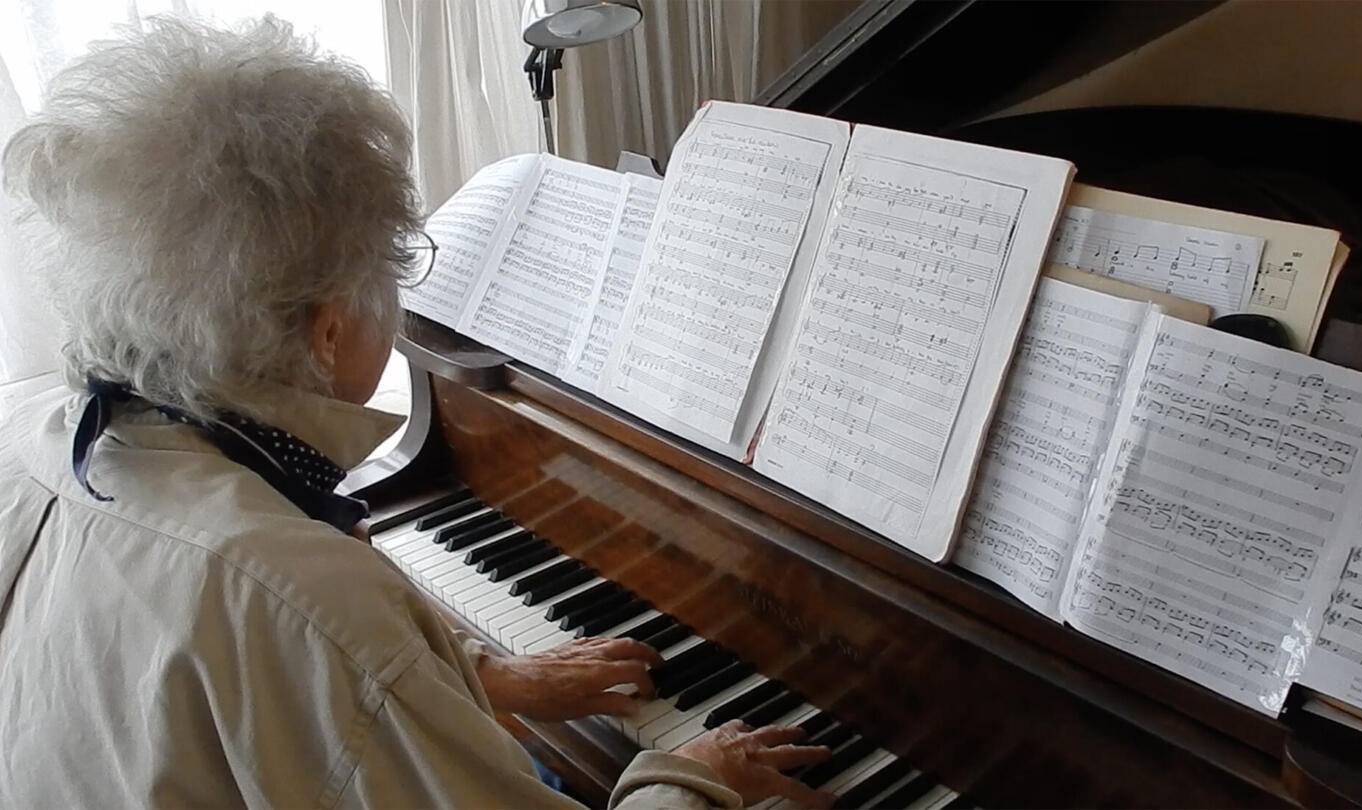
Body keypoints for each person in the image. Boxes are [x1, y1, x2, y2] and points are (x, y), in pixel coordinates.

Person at [0, 15, 832, 809]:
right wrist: (690, 775)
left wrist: (471, 671)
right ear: (327, 329)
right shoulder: (305, 598)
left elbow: (287, 695)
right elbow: (313, 645)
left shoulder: (35, 445)